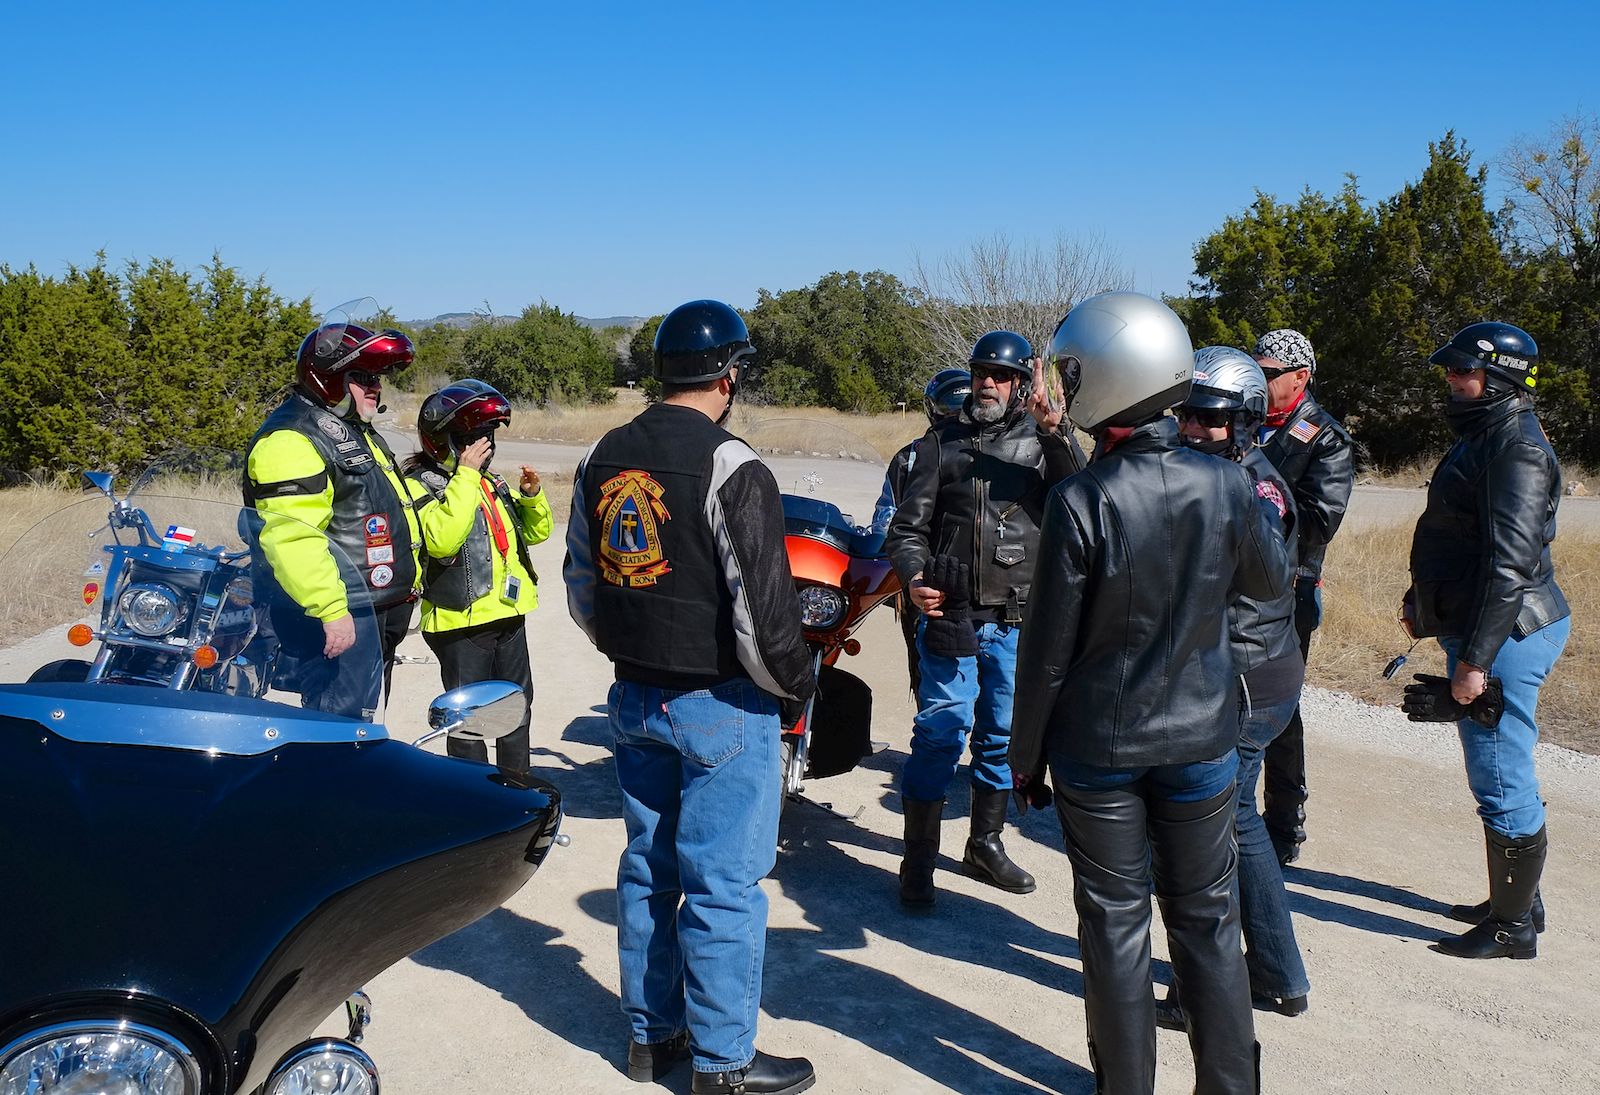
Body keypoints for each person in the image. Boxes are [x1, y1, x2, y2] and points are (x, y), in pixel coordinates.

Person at [1012, 292, 1290, 1094]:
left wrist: (1023, 757)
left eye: (1075, 373)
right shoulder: (1228, 483)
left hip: (1099, 751)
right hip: (1202, 739)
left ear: (1113, 377)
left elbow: (1047, 653)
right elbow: (1269, 580)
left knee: (1115, 926)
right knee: (1209, 921)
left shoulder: (1081, 497)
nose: (1067, 387)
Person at [564, 299, 818, 1095]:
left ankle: (651, 1038)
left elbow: (582, 584)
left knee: (648, 869)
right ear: (729, 376)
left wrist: (626, 650)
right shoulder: (732, 465)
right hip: (719, 704)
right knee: (723, 887)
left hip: (633, 696)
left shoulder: (602, 455)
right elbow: (765, 618)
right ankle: (724, 1062)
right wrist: (796, 689)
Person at [885, 332, 1082, 906]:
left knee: (1000, 737)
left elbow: (1083, 499)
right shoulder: (938, 444)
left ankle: (984, 845)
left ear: (1020, 384)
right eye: (980, 373)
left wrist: (1057, 432)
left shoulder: (1044, 445)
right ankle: (918, 860)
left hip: (1018, 622)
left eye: (1000, 375)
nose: (987, 383)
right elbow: (907, 529)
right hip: (951, 615)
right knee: (941, 730)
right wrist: (913, 576)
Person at [1401, 321, 1569, 960]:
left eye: (1463, 370)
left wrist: (1475, 661)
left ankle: (1511, 928)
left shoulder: (1515, 449)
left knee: (1499, 772)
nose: (1450, 378)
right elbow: (1459, 536)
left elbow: (1509, 565)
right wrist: (1424, 599)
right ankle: (1518, 899)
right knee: (1503, 767)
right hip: (1488, 624)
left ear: (1499, 378)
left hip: (1505, 634)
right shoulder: (1488, 433)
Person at [1157, 347, 1310, 1032]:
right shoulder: (1218, 475)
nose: (1193, 428)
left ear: (1244, 420)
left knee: (1209, 836)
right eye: (1187, 415)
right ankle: (1277, 974)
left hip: (1245, 677)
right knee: (1236, 822)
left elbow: (1239, 581)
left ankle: (1206, 989)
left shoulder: (1253, 489)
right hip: (1245, 669)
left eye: (1210, 418)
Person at [244, 300, 419, 720]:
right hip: (342, 610)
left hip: (371, 606)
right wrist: (331, 609)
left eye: (377, 378)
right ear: (330, 378)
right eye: (362, 378)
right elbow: (293, 537)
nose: (375, 387)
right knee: (335, 726)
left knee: (363, 725)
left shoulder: (349, 429)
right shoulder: (291, 438)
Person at [405, 379, 552, 775]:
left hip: (508, 613)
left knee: (517, 707)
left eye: (487, 438)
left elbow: (534, 534)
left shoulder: (490, 482)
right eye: (471, 439)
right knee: (468, 720)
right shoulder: (422, 485)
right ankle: (474, 795)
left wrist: (531, 497)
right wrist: (466, 476)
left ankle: (517, 790)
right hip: (460, 623)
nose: (482, 447)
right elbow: (443, 541)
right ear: (443, 441)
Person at [1252, 328, 1355, 865]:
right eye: (1256, 369)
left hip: (1290, 589)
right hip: (1234, 582)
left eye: (1269, 373)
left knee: (1279, 706)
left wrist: (1253, 491)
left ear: (1300, 377)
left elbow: (1319, 520)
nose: (1259, 379)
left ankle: (1284, 822)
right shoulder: (1244, 419)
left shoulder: (1325, 437)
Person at [870, 367, 972, 695]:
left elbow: (885, 522)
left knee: (929, 676)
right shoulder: (989, 454)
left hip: (924, 582)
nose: (953, 417)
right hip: (946, 582)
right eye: (949, 409)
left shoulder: (909, 456)